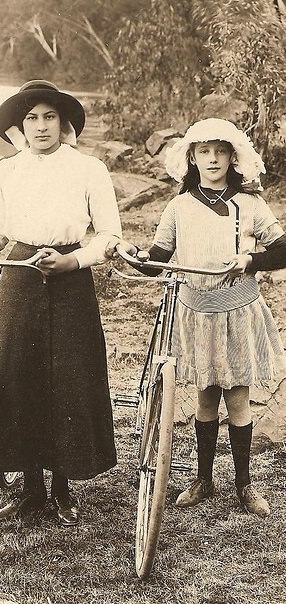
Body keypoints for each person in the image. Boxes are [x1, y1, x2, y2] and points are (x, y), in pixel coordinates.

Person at [0, 80, 122, 526]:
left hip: (70, 279)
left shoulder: (89, 170)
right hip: (19, 276)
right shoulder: (8, 171)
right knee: (18, 374)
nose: (41, 126)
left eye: (50, 116)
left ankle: (64, 488)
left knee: (69, 377)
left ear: (64, 123)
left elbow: (109, 236)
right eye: (32, 118)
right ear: (20, 126)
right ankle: (31, 489)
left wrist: (72, 261)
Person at [123, 117, 286, 517]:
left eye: (220, 151)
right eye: (204, 152)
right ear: (192, 159)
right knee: (205, 396)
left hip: (238, 310)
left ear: (233, 157)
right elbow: (159, 258)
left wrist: (250, 259)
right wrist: (136, 257)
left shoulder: (249, 204)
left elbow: (283, 249)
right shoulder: (179, 206)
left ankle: (244, 485)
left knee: (238, 397)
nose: (212, 159)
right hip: (196, 313)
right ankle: (204, 479)